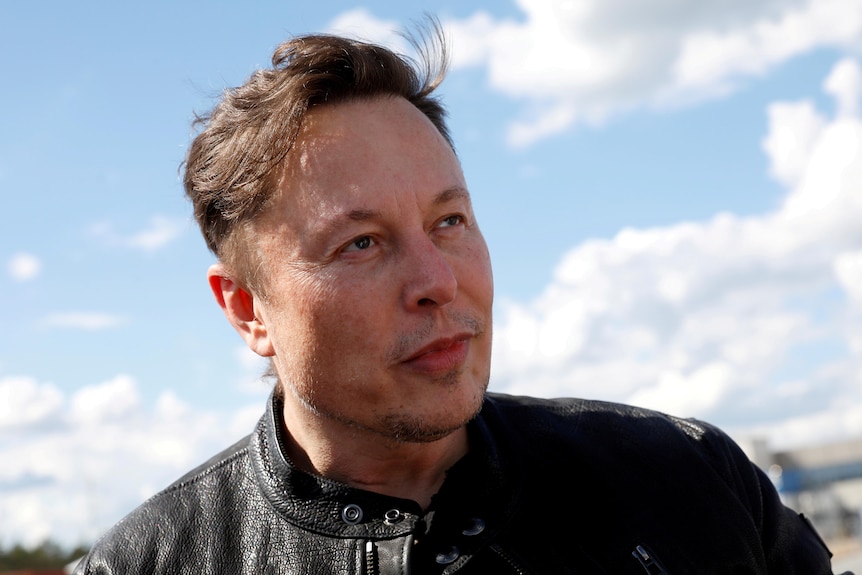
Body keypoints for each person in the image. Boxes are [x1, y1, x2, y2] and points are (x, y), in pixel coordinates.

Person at [73, 24, 848, 575]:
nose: (438, 281)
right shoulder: (147, 562)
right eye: (362, 243)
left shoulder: (687, 481)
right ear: (247, 310)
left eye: (449, 221)